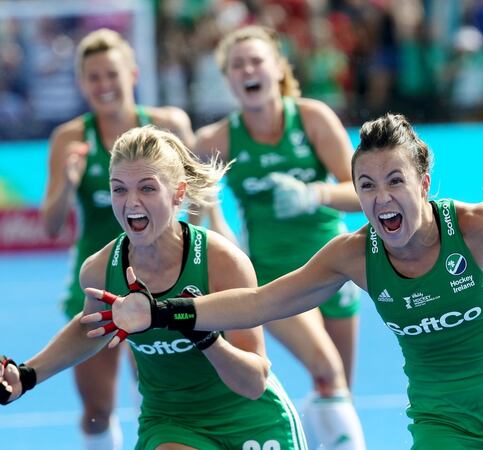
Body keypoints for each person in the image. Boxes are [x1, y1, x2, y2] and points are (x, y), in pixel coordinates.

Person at [80, 113, 483, 449]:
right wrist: (165, 314)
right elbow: (256, 304)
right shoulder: (353, 256)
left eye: (394, 181)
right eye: (365, 185)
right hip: (442, 420)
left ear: (423, 181)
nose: (380, 197)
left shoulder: (474, 227)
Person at [2, 126, 308, 450]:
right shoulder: (100, 270)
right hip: (171, 423)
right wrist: (27, 375)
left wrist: (199, 332)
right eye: (119, 190)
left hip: (250, 418)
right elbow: (90, 328)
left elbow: (253, 383)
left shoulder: (222, 263)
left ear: (178, 193)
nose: (131, 202)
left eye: (147, 188)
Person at [192, 25, 365, 449]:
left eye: (256, 61)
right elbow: (193, 217)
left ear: (278, 69)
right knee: (326, 368)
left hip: (336, 266)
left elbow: (362, 193)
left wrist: (315, 193)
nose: (248, 70)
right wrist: (217, 226)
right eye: (237, 65)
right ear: (228, 79)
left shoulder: (312, 119)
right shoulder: (215, 139)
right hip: (276, 274)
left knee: (337, 386)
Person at [39, 28, 196, 450]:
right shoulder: (70, 139)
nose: (105, 85)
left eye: (112, 74)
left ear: (133, 73)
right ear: (81, 84)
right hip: (97, 284)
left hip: (169, 279)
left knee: (173, 401)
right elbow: (51, 226)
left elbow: (196, 201)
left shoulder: (168, 125)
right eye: (94, 77)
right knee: (96, 411)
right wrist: (68, 185)